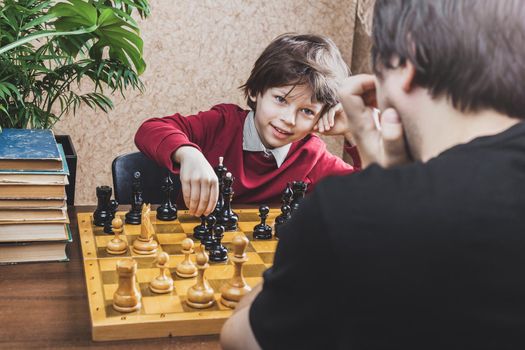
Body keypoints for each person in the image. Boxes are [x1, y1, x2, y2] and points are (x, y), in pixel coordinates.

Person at [220, 0, 525, 349]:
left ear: (407, 60)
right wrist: (389, 183)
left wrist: (382, 188)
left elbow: (238, 338)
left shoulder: (350, 214)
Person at [135, 33, 361, 217]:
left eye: (307, 111)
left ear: (321, 117)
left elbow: (373, 197)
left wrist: (355, 131)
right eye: (281, 99)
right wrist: (188, 155)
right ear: (255, 91)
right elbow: (150, 129)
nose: (289, 119)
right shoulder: (221, 124)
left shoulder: (312, 157)